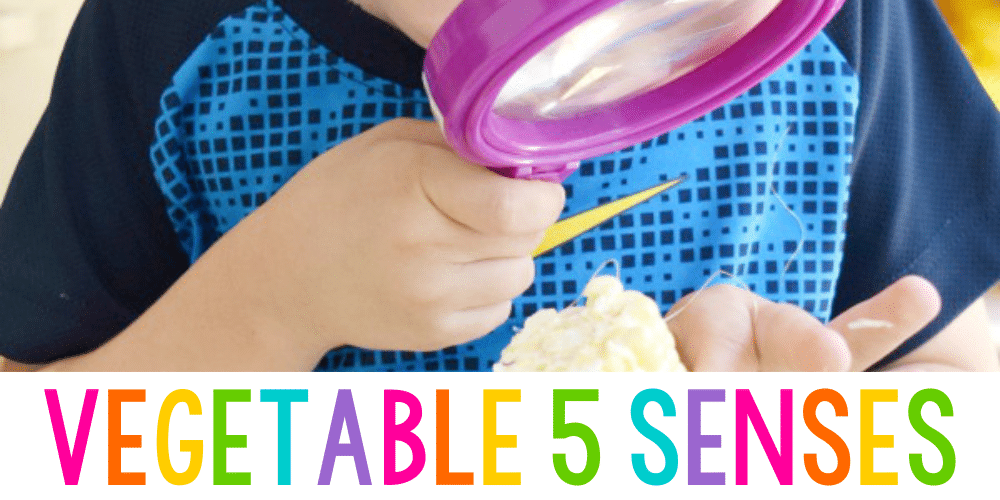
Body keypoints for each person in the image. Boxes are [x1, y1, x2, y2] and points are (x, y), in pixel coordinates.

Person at [0, 0, 997, 372]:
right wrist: (265, 305)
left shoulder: (831, 32)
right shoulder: (181, 39)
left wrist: (794, 435)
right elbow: (32, 443)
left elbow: (954, 377)